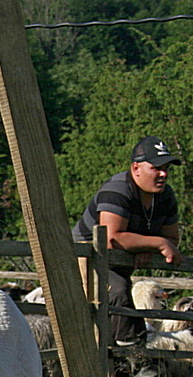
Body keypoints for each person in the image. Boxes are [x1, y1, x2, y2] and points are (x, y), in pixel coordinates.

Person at [72, 136, 182, 344]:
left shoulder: (165, 197)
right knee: (118, 294)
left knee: (123, 301)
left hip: (115, 264)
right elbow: (111, 239)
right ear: (136, 168)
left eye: (166, 168)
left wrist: (145, 247)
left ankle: (128, 360)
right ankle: (131, 357)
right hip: (84, 261)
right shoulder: (118, 190)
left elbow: (172, 238)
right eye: (156, 168)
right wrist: (157, 244)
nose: (163, 174)